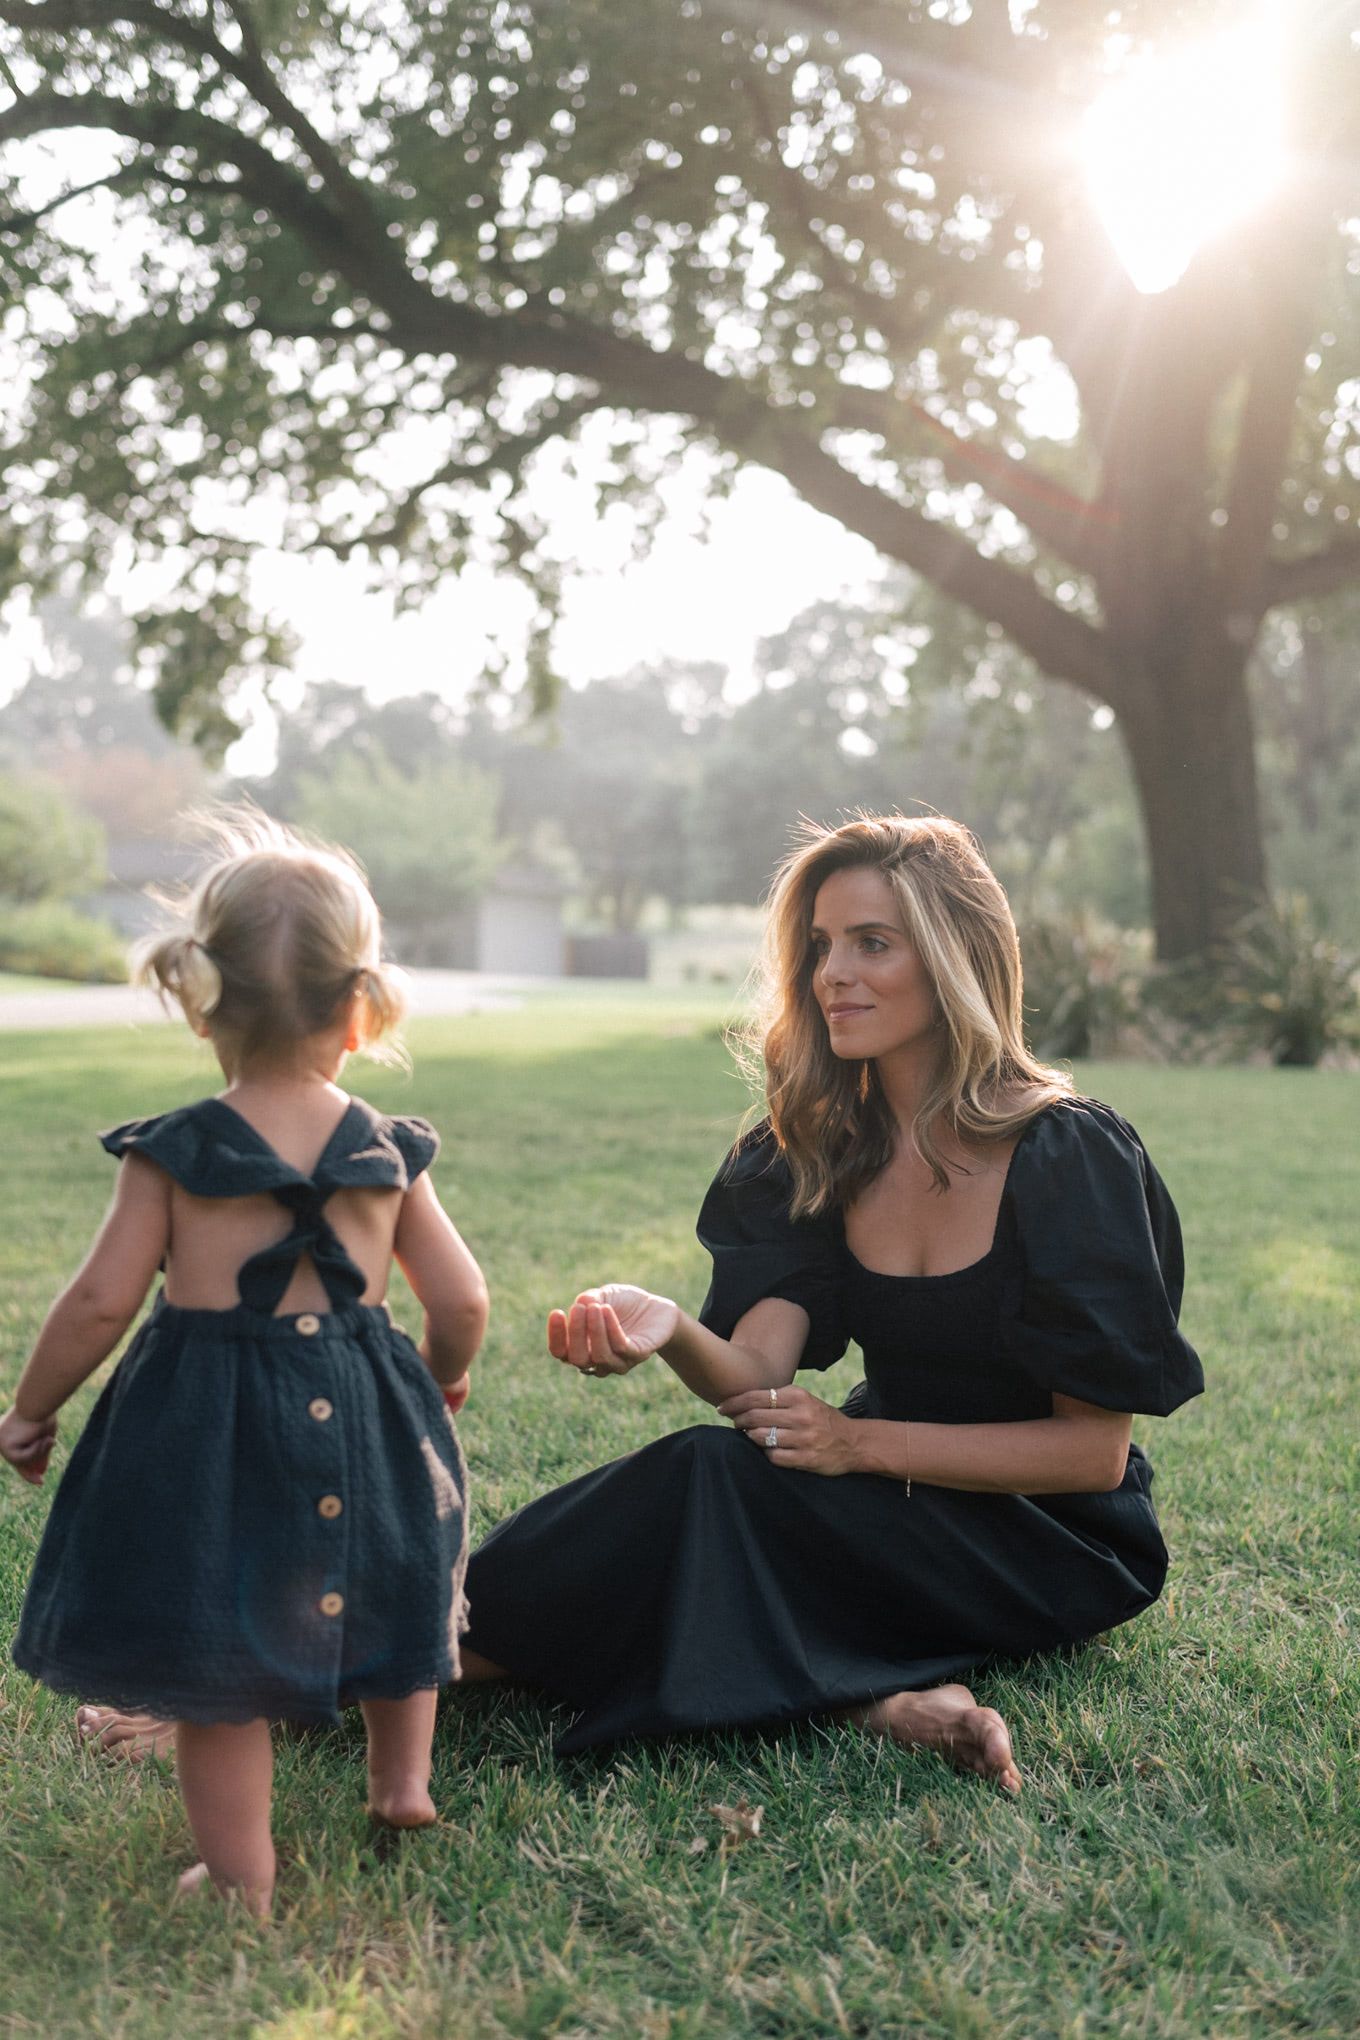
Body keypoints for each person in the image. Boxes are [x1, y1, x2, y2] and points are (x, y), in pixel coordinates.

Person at [456, 815, 1202, 1791]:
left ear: (952, 959)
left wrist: (858, 1446)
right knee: (712, 1485)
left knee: (703, 1492)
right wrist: (670, 1327)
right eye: (818, 946)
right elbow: (758, 1377)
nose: (831, 974)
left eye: (871, 943)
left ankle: (412, 1646)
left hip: (1045, 1539)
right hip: (882, 1512)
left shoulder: (1068, 1156)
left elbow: (1091, 1455)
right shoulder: (811, 1149)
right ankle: (878, 1700)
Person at [0, 814, 489, 1914]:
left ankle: (239, 1879)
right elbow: (459, 1298)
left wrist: (30, 1411)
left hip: (207, 1422)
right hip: (370, 1395)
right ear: (360, 1011)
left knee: (218, 1659)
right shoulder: (387, 1147)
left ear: (200, 1000)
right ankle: (400, 1781)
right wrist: (439, 1377)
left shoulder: (171, 1152)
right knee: (400, 1577)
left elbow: (97, 1303)